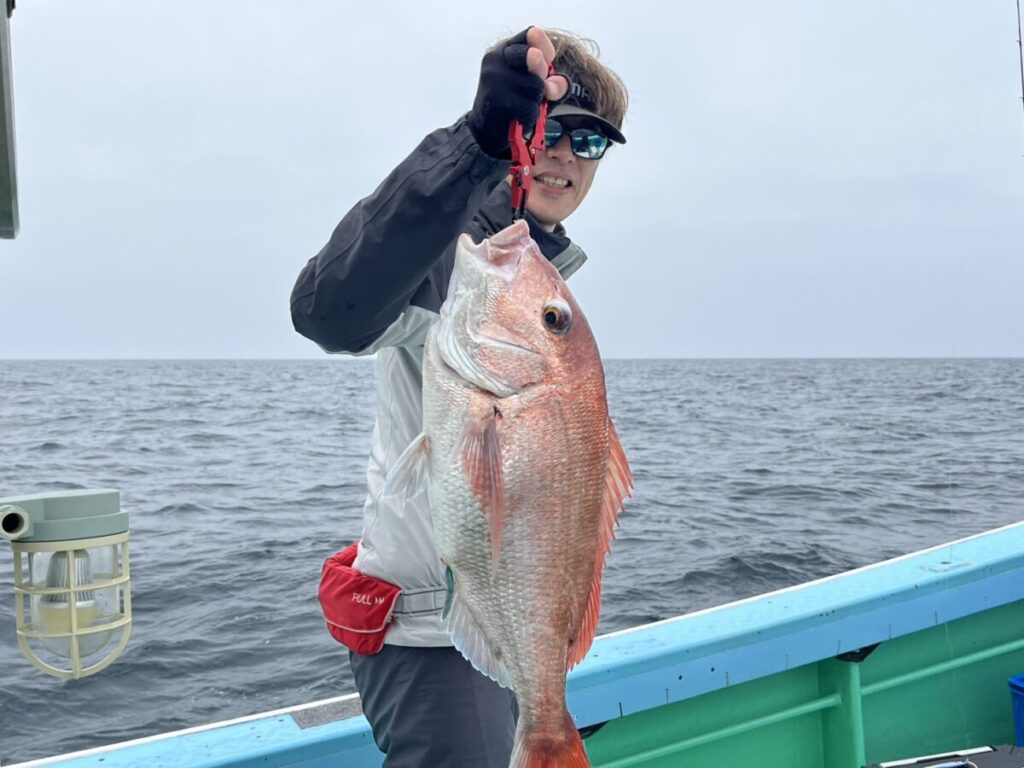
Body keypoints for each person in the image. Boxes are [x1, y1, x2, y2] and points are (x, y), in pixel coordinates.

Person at [290, 25, 628, 768]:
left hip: (506, 636)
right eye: (555, 127)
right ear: (519, 128)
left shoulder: (530, 272)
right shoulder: (451, 256)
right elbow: (325, 310)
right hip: (428, 641)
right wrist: (471, 146)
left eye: (593, 143)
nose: (567, 154)